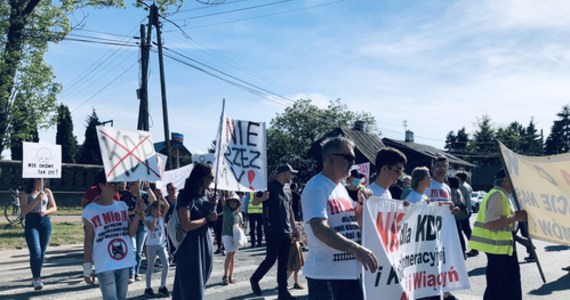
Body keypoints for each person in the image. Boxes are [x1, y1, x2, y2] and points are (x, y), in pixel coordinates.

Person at [301, 137, 378, 300]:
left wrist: (362, 203)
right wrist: (355, 249)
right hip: (326, 275)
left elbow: (354, 220)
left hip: (348, 273)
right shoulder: (316, 186)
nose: (353, 162)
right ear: (330, 159)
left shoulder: (340, 188)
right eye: (348, 158)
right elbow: (319, 228)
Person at [468, 168, 528, 300]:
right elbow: (491, 224)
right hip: (499, 250)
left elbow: (503, 226)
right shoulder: (498, 195)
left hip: (501, 249)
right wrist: (515, 217)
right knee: (505, 288)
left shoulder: (500, 195)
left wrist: (519, 239)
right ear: (506, 180)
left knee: (496, 287)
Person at [82, 171, 142, 300]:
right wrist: (87, 269)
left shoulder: (122, 206)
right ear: (101, 185)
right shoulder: (90, 210)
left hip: (124, 259)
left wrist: (137, 214)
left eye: (117, 183)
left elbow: (130, 232)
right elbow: (88, 240)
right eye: (112, 183)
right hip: (104, 262)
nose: (116, 186)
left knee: (121, 297)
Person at [249, 163, 299, 300]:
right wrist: (261, 198)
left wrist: (295, 228)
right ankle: (255, 278)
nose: (292, 176)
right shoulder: (268, 186)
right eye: (290, 173)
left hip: (286, 230)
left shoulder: (288, 189)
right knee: (271, 259)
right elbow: (254, 202)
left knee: (283, 262)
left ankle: (283, 292)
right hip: (272, 229)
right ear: (283, 173)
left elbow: (290, 210)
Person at [172, 163, 218, 300]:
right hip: (190, 246)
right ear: (201, 178)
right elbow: (186, 225)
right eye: (211, 177)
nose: (212, 181)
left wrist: (213, 207)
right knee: (191, 285)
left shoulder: (207, 195)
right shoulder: (185, 195)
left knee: (200, 282)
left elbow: (211, 223)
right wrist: (207, 218)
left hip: (205, 242)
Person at [20, 178, 57, 290]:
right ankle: (36, 278)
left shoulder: (47, 191)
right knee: (35, 251)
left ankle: (37, 275)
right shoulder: (26, 193)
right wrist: (36, 200)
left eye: (43, 179)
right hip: (32, 222)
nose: (41, 181)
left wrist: (46, 211)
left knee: (42, 252)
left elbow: (54, 207)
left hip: (45, 221)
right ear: (33, 179)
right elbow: (23, 212)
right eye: (39, 179)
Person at [143, 199, 170, 297]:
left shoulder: (162, 217)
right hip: (151, 246)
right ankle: (148, 287)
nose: (160, 211)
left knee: (166, 265)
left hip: (161, 244)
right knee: (150, 267)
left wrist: (161, 196)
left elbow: (168, 206)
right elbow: (152, 228)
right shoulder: (147, 218)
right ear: (152, 209)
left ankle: (162, 286)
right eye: (158, 209)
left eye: (161, 210)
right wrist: (155, 217)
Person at [222, 192, 244, 285]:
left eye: (234, 201)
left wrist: (240, 232)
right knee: (229, 254)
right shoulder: (226, 209)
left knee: (232, 256)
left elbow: (241, 225)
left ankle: (231, 276)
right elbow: (223, 199)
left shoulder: (239, 214)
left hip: (235, 237)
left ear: (237, 203)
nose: (232, 203)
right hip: (226, 235)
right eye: (231, 201)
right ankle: (225, 276)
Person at [457, 171, 478, 258]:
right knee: (467, 230)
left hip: (463, 211)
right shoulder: (468, 186)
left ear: (460, 178)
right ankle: (474, 248)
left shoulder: (461, 187)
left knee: (460, 230)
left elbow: (459, 199)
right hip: (468, 210)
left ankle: (463, 249)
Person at [449, 176, 469, 256]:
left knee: (457, 233)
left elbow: (454, 202)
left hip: (455, 216)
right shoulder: (458, 190)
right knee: (460, 233)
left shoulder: (452, 191)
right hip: (462, 214)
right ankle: (463, 250)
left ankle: (460, 251)